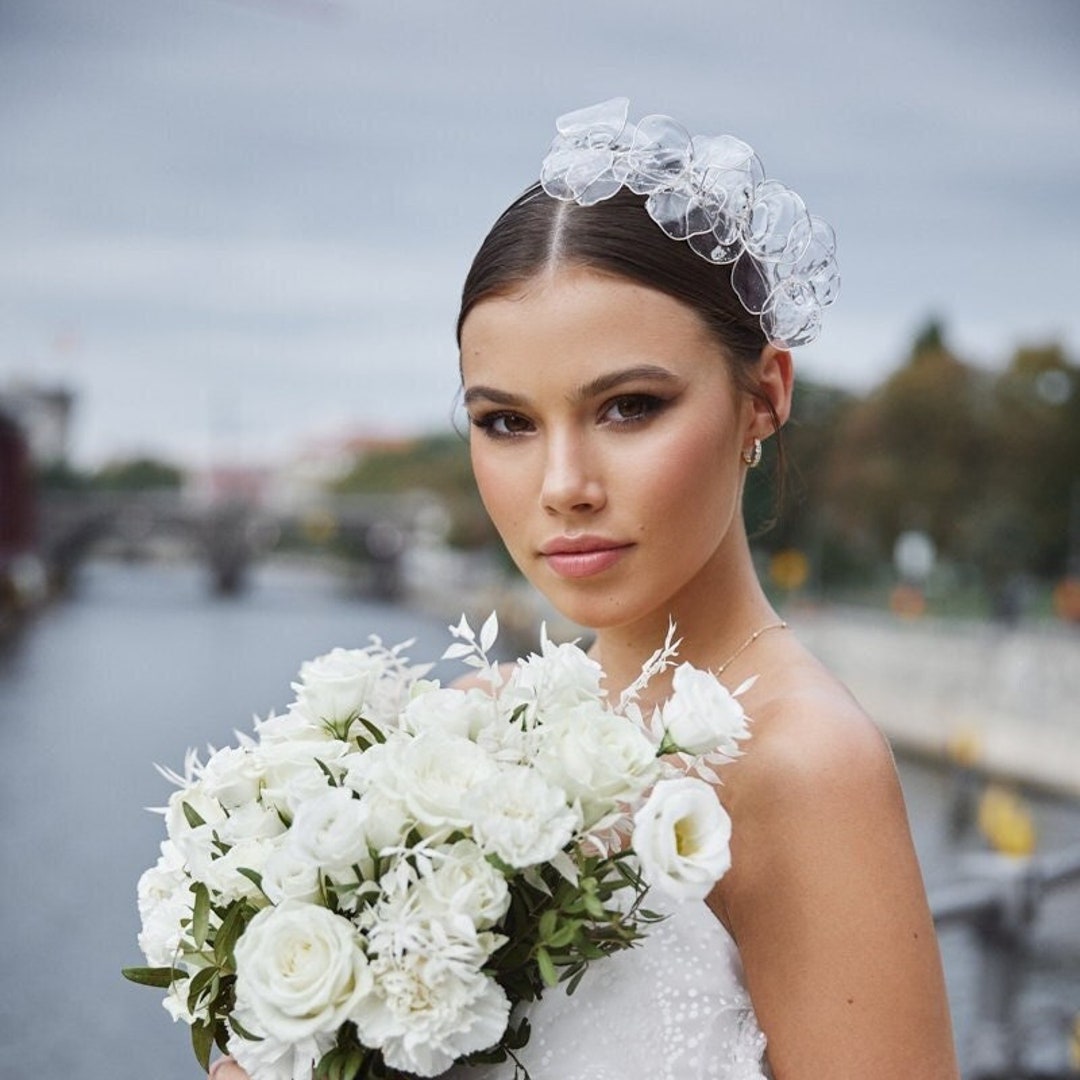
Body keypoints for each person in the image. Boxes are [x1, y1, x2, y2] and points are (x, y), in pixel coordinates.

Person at [212, 99, 959, 1080]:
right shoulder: (471, 738)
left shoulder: (801, 765)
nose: (563, 486)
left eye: (629, 407)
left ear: (765, 396)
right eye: (508, 423)